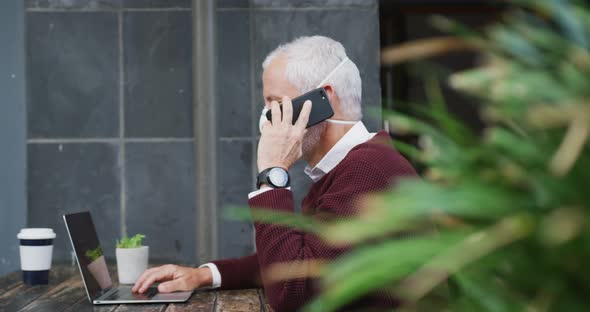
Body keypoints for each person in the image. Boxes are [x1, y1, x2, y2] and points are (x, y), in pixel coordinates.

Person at [132, 35, 417, 311]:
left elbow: (292, 294)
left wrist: (273, 173)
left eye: (275, 102)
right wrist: (205, 274)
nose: (266, 116)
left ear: (323, 100)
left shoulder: (367, 170)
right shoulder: (352, 166)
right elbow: (299, 258)